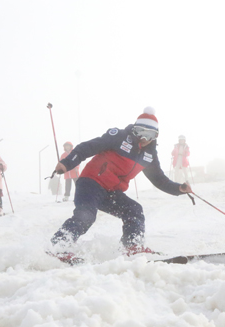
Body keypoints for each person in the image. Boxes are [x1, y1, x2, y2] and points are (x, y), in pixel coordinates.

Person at [50, 107, 193, 264]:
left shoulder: (149, 155)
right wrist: (66, 163)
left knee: (134, 210)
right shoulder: (119, 137)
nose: (144, 138)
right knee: (86, 216)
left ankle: (132, 248)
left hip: (111, 192)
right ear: (134, 129)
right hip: (91, 184)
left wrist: (179, 188)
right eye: (140, 132)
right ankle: (59, 247)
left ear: (156, 136)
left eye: (150, 134)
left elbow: (159, 179)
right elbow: (87, 147)